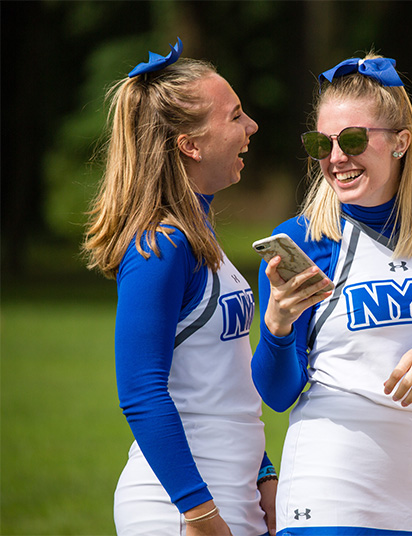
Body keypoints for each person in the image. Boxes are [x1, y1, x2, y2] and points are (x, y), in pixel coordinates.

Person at [251, 53, 412, 535]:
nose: (336, 158)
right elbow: (277, 394)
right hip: (330, 489)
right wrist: (277, 329)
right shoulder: (301, 239)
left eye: (355, 140)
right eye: (321, 143)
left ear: (400, 142)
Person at [82, 39, 276, 536]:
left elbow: (221, 381)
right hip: (177, 509)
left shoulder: (198, 232)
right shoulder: (161, 244)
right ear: (190, 144)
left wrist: (265, 474)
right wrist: (199, 512)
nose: (251, 127)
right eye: (235, 117)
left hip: (232, 497)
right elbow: (140, 390)